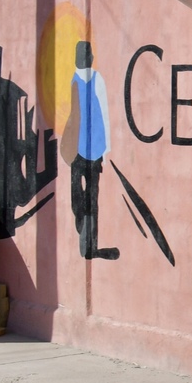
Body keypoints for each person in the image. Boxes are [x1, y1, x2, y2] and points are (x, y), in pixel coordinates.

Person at [69, 40, 119, 260]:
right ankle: (83, 226)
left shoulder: (98, 80)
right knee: (76, 195)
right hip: (77, 149)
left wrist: (106, 149)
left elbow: (105, 113)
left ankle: (91, 246)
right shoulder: (75, 79)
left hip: (95, 149)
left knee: (92, 197)